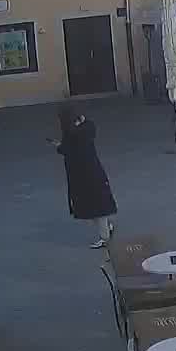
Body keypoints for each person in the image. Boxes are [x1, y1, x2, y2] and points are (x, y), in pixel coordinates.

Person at [56, 104, 118, 248]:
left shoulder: (71, 133)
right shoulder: (88, 127)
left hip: (80, 175)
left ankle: (105, 236)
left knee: (94, 207)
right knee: (99, 204)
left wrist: (59, 146)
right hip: (94, 170)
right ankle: (106, 229)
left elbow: (67, 149)